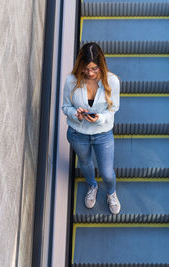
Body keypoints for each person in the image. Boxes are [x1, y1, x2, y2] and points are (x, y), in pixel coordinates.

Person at [61, 42, 121, 215]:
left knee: (107, 173)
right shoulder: (71, 81)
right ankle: (92, 186)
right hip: (77, 133)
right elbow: (65, 107)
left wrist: (100, 118)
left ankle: (111, 193)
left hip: (102, 134)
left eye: (95, 68)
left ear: (101, 64)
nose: (90, 73)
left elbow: (113, 108)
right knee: (85, 163)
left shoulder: (112, 81)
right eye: (86, 69)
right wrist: (75, 114)